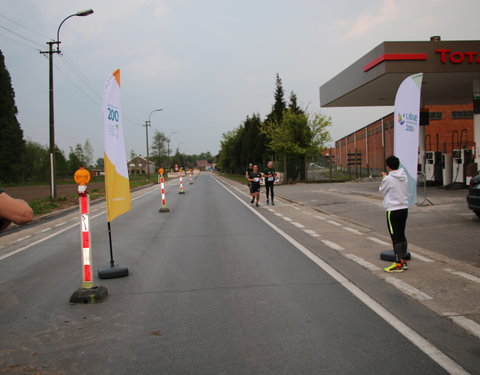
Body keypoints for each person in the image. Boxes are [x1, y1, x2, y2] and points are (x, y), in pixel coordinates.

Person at [379, 156, 409, 272]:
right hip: (404, 208)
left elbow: (381, 190)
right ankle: (403, 260)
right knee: (402, 235)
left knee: (395, 237)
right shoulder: (404, 176)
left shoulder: (388, 179)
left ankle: (398, 264)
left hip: (393, 210)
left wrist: (384, 178)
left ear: (388, 166)